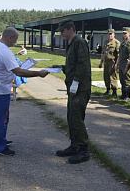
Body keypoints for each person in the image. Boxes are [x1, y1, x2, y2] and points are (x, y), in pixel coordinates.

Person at [0, 27, 49, 156]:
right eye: (15, 39)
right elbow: (18, 72)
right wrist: (38, 73)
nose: (15, 42)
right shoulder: (5, 51)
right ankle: (0, 147)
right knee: (1, 119)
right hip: (1, 90)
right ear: (10, 38)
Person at [52, 19, 91, 164]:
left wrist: (75, 83)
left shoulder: (79, 42)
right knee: (71, 117)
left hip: (80, 88)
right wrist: (62, 67)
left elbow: (83, 65)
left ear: (70, 29)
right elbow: (74, 65)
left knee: (76, 118)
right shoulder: (72, 44)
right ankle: (74, 146)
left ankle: (83, 150)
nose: (61, 33)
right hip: (74, 87)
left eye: (63, 30)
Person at [116, 27, 130, 102]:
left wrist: (127, 67)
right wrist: (117, 64)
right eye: (123, 33)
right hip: (121, 63)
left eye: (125, 33)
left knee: (127, 80)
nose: (124, 35)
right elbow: (120, 54)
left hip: (127, 64)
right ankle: (123, 94)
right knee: (122, 80)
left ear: (129, 33)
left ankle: (127, 96)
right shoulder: (123, 43)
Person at [99, 29, 120, 97]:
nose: (110, 35)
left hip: (112, 62)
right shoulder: (106, 42)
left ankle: (114, 91)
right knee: (106, 76)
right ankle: (108, 90)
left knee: (113, 77)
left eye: (111, 34)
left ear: (114, 34)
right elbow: (103, 53)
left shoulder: (116, 43)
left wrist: (116, 64)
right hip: (106, 62)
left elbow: (118, 55)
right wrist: (101, 62)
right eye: (109, 34)